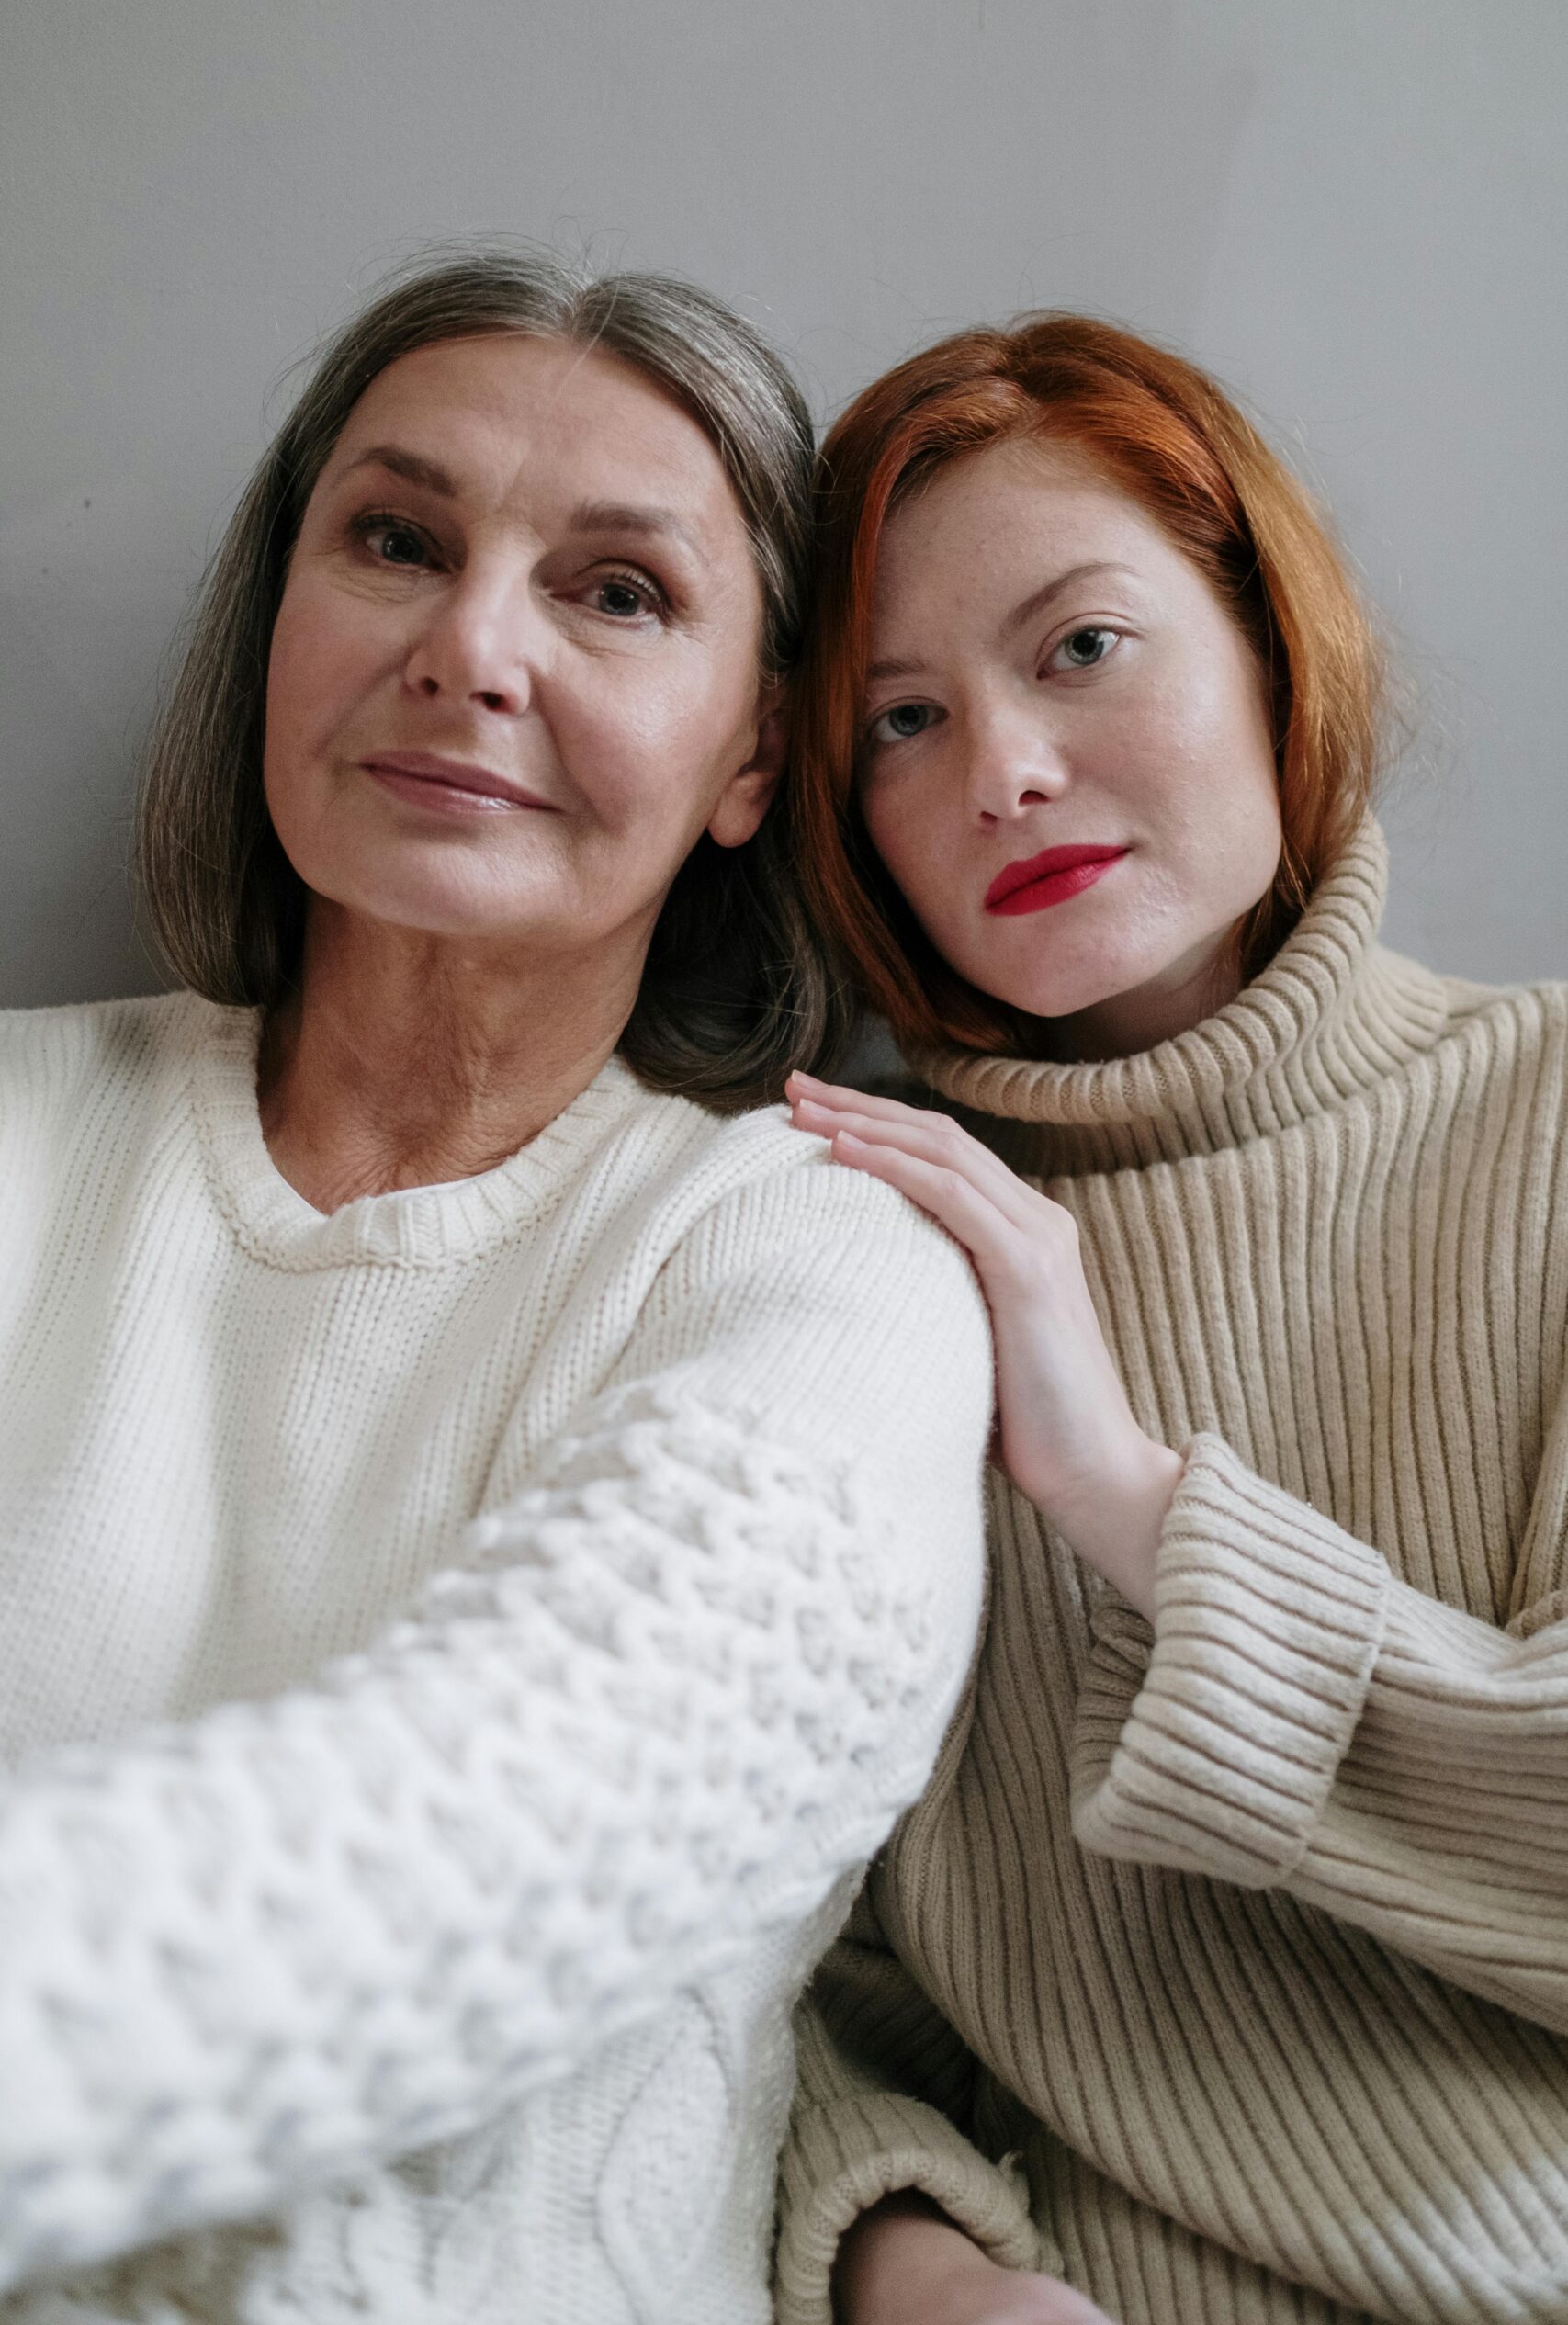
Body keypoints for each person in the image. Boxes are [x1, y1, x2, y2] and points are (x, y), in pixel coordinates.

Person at [0, 253, 995, 2325]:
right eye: (395, 539)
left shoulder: (825, 1256)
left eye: (615, 591)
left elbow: (488, 1847)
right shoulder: (20, 1124)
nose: (469, 646)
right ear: (278, 626)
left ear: (744, 765)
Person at [773, 314, 1568, 2325]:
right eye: (897, 720)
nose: (1005, 770)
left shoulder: (1545, 1114)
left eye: (1078, 646)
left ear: (1266, 644)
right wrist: (904, 2259)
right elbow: (770, 1965)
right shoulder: (841, 1237)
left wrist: (1127, 1500)